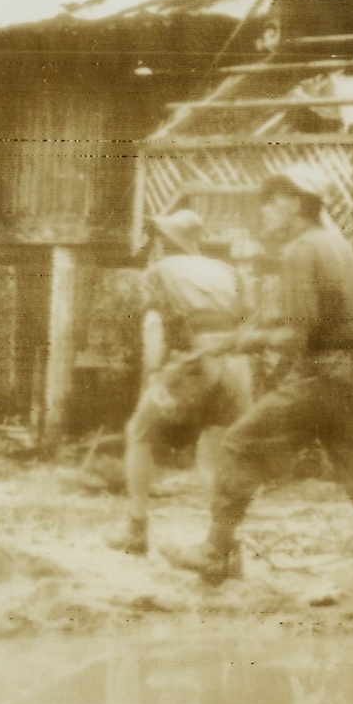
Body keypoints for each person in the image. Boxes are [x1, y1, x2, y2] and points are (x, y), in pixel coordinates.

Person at [161, 163, 353, 623]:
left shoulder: (300, 251)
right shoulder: (340, 248)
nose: (265, 211)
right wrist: (233, 339)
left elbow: (294, 336)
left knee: (237, 445)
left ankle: (215, 554)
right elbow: (350, 312)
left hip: (319, 379)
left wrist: (240, 342)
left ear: (296, 204)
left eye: (272, 201)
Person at [107, 208, 253, 555]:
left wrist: (153, 375)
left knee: (140, 434)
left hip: (194, 362)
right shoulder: (228, 270)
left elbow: (155, 325)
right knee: (213, 456)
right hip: (237, 364)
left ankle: (136, 530)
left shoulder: (160, 271)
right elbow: (250, 320)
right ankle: (223, 546)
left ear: (165, 241)